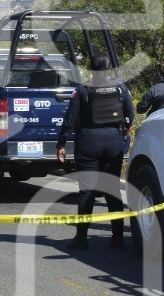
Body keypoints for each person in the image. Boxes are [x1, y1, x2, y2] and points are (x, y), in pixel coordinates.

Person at [55, 52, 134, 250]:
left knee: (87, 191)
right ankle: (117, 238)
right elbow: (130, 115)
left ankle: (81, 238)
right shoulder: (121, 87)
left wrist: (61, 144)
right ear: (109, 68)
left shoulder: (82, 90)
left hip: (89, 142)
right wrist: (123, 132)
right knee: (112, 190)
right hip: (113, 142)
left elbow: (70, 119)